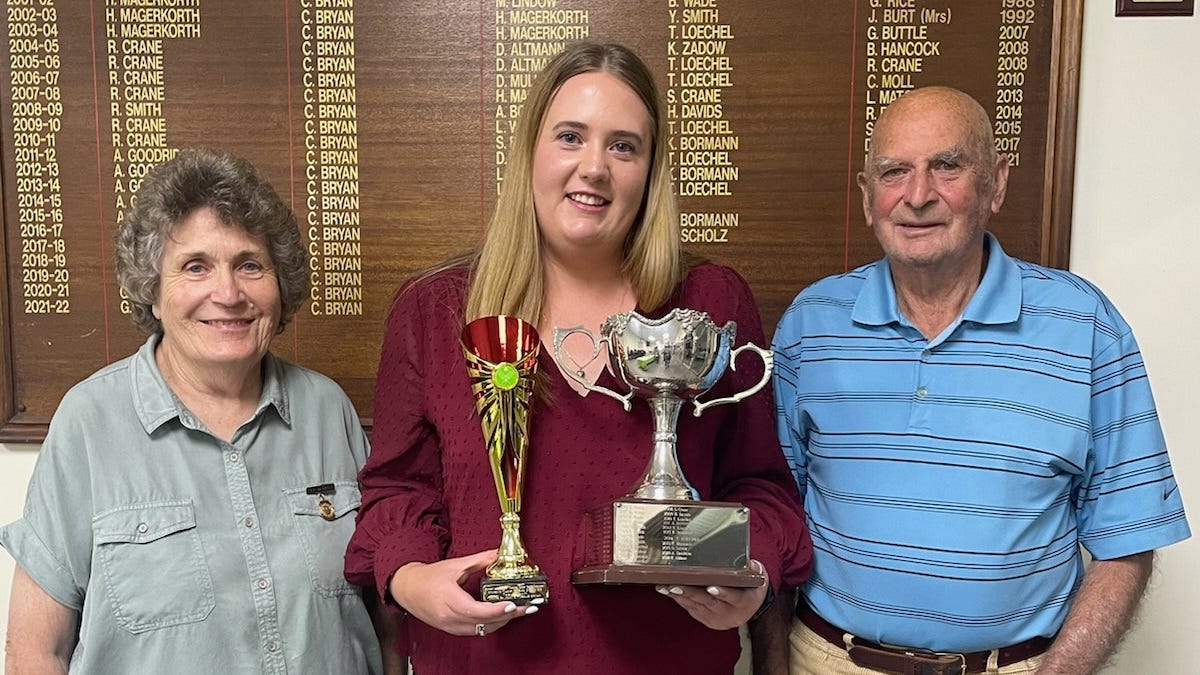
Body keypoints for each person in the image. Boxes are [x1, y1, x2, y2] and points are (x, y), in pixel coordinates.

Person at [345, 41, 812, 674]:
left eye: (624, 146)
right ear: (530, 152)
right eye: (570, 137)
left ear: (651, 171)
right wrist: (410, 579)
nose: (594, 168)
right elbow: (397, 490)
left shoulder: (709, 302)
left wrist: (750, 575)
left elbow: (760, 487)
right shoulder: (435, 310)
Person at [767, 86, 1191, 675]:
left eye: (947, 166)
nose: (918, 195)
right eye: (894, 171)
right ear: (867, 197)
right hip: (825, 661)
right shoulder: (810, 325)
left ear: (996, 183)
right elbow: (775, 518)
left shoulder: (1086, 327)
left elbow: (1129, 540)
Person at [0, 148, 397, 673]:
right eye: (195, 267)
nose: (228, 293)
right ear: (152, 291)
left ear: (280, 285)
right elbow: (35, 651)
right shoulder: (89, 424)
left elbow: (386, 624)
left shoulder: (328, 411)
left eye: (249, 265)